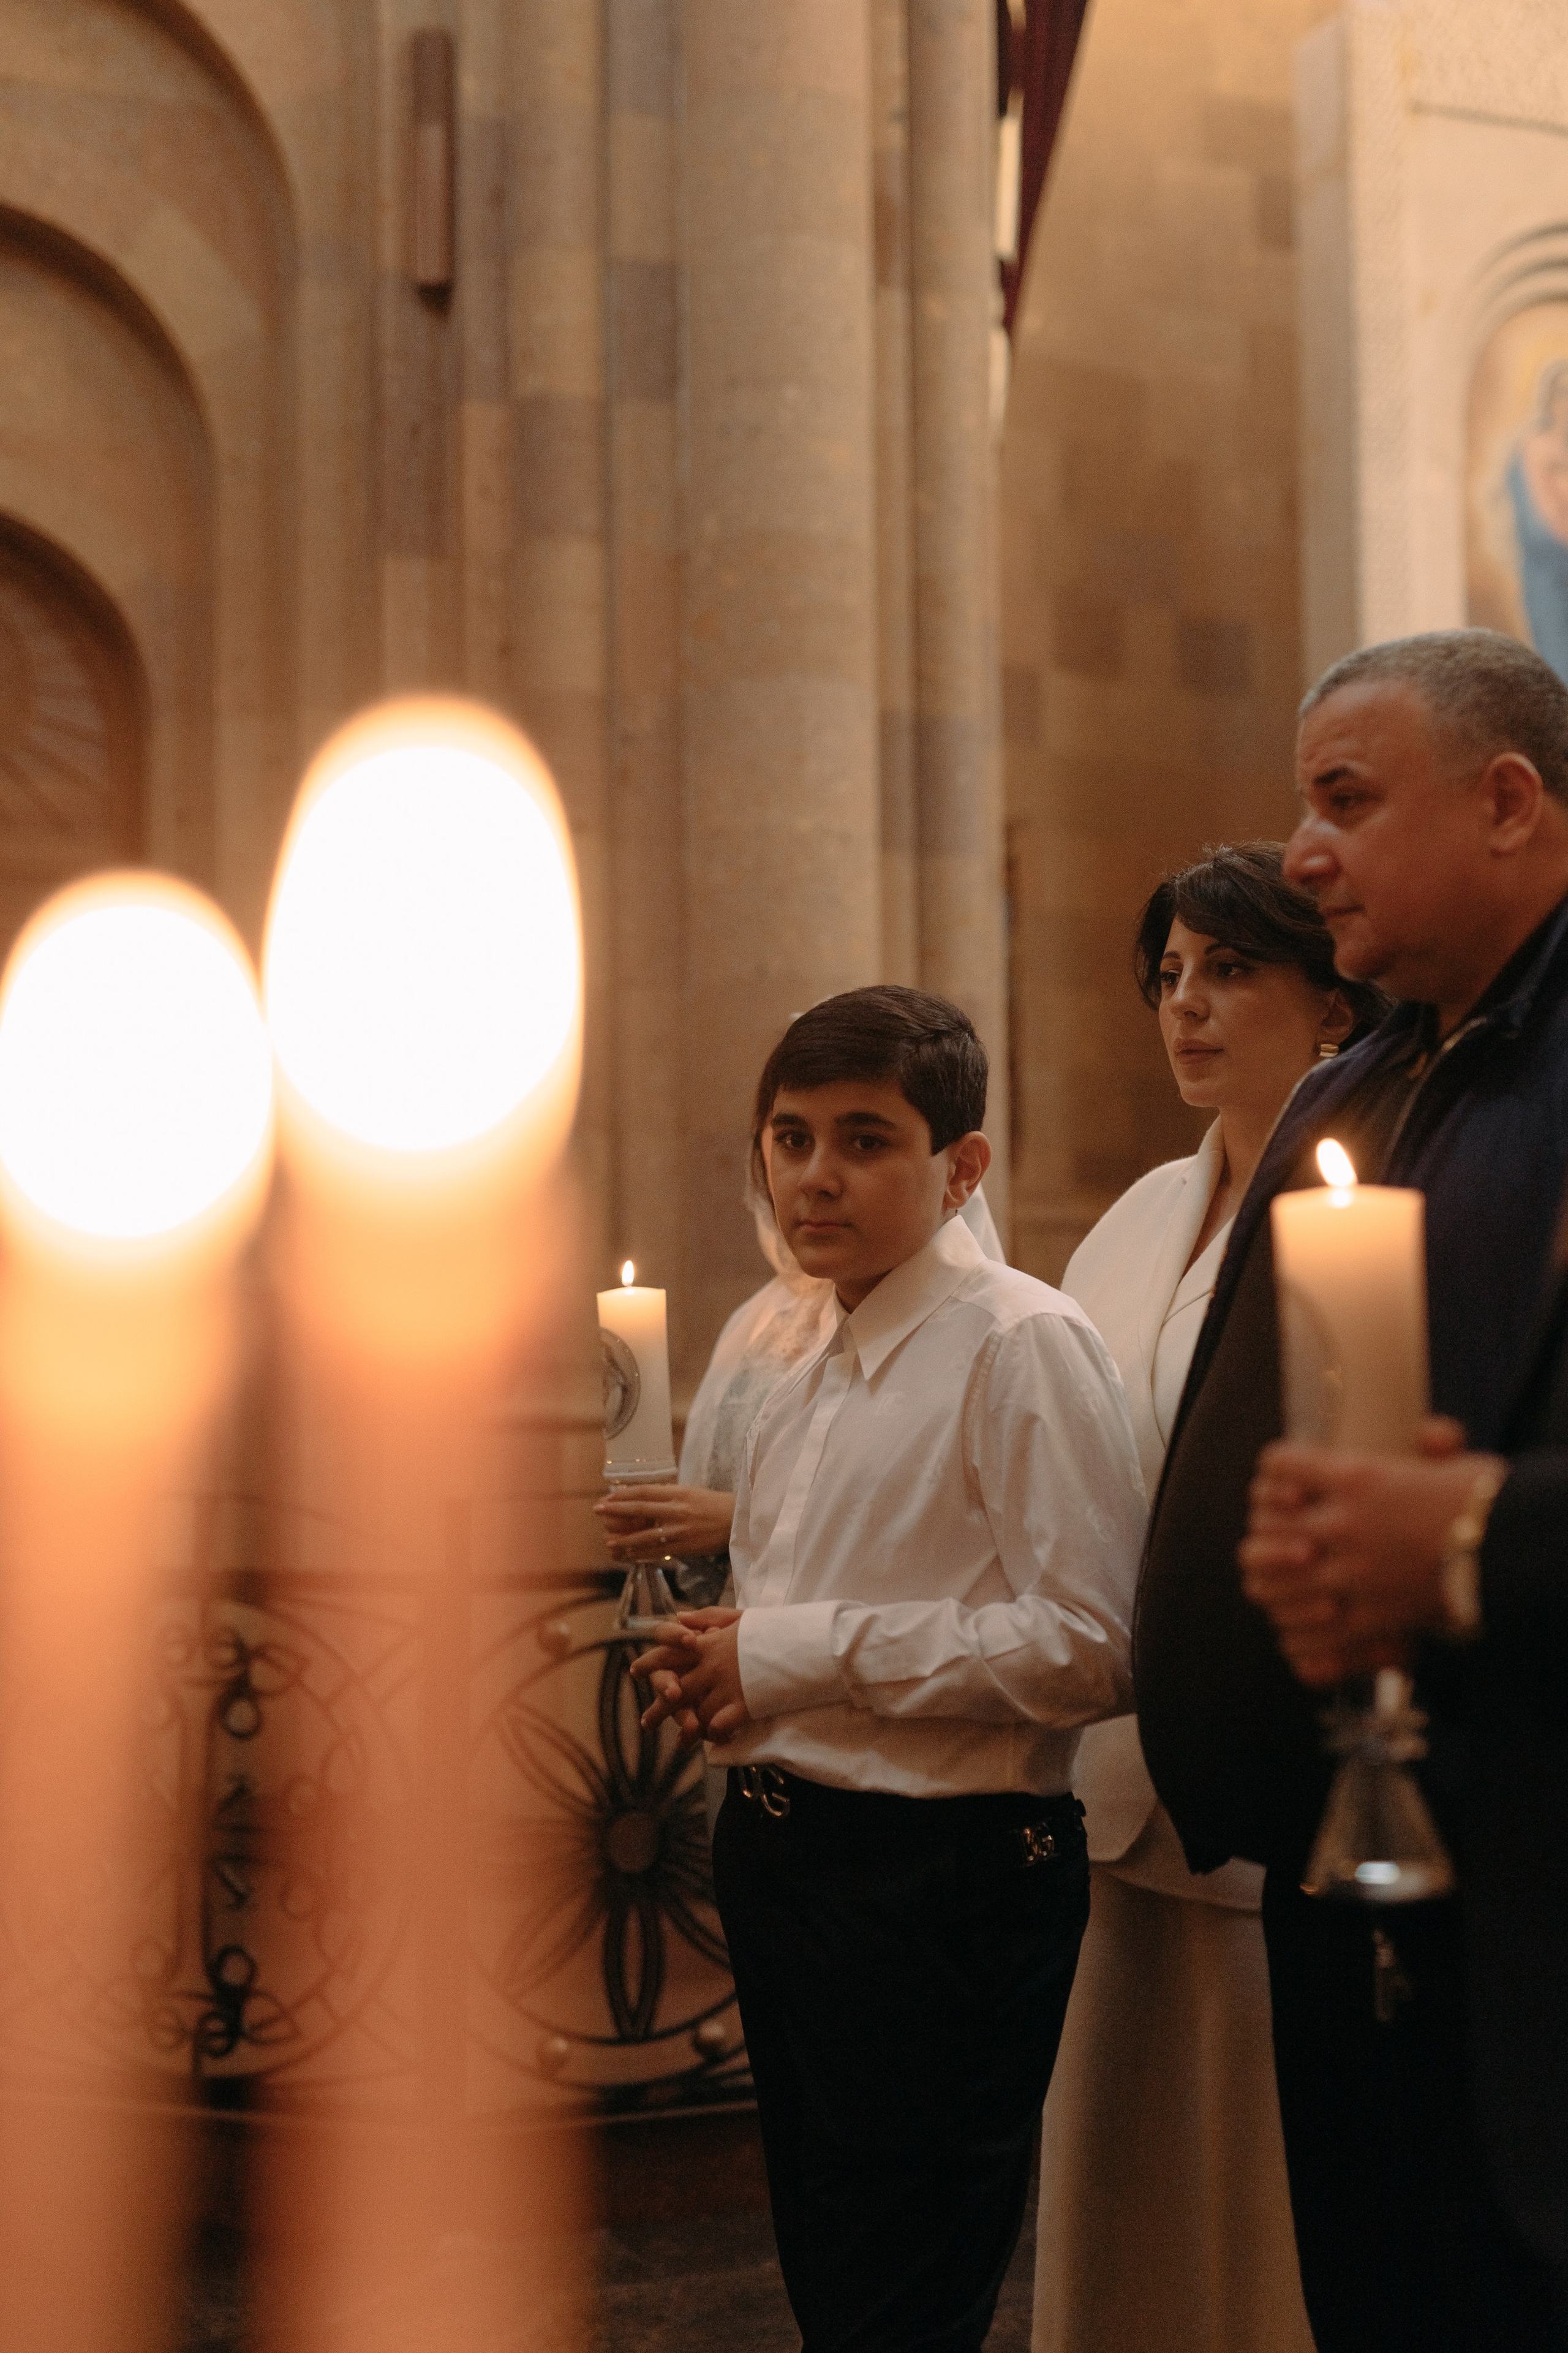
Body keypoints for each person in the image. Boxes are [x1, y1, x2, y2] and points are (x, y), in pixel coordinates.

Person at [1133, 629, 1568, 2352]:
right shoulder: (1355, 1076)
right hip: (1337, 1881)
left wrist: (1464, 1541)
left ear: (1508, 803)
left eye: (1344, 800)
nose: (1303, 853)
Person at [634, 984, 1146, 2353]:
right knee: (831, 2282)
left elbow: (1093, 1644)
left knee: (897, 2304)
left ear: (960, 1166)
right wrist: (726, 1662)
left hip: (942, 1880)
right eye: (790, 1137)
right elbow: (807, 1604)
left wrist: (793, 1655)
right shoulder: (805, 1345)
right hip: (785, 1854)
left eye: (864, 1140)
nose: (814, 1175)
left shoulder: (1019, 1341)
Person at [1033, 843, 1385, 2353]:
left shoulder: (1370, 1202)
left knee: (1261, 2212)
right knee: (1119, 2201)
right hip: (1108, 1775)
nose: (1181, 1003)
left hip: (1263, 1768)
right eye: (1167, 973)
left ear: (1330, 1002)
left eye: (1227, 970)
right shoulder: (1129, 1219)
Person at [592, 1180, 1005, 1592]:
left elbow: (927, 1525)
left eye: (865, 1147)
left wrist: (739, 1521)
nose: (815, 1176)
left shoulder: (995, 1338)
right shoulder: (754, 1321)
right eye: (794, 1146)